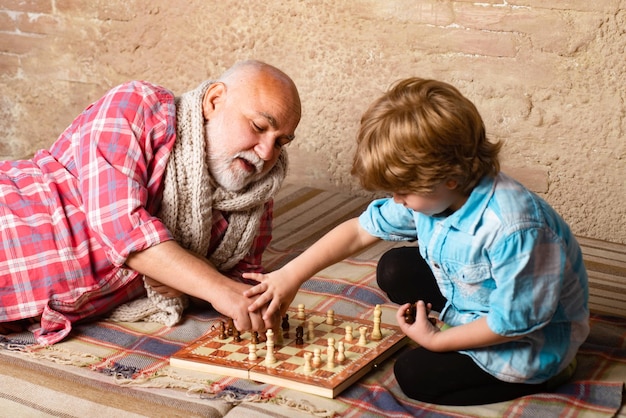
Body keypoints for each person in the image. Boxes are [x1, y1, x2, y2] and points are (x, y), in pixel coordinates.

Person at [243, 78, 589, 405]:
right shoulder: (438, 194)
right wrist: (290, 275)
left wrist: (436, 340)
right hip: (477, 297)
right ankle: (458, 326)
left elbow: (512, 323)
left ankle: (547, 376)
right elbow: (361, 230)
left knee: (413, 375)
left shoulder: (515, 228)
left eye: (403, 192)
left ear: (450, 178)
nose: (396, 201)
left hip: (530, 338)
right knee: (394, 268)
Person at [0, 59, 301, 345]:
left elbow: (243, 281)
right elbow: (121, 227)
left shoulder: (254, 199)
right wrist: (213, 286)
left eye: (280, 142)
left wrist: (191, 286)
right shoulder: (139, 105)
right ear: (214, 101)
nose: (265, 153)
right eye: (259, 127)